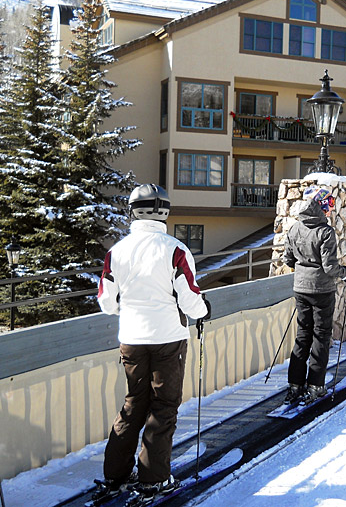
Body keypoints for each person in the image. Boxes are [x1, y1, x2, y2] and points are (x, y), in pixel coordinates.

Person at [93, 184, 210, 505]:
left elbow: (105, 301)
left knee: (134, 404)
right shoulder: (175, 249)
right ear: (165, 212)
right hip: (168, 338)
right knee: (163, 406)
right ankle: (153, 479)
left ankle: (115, 475)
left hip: (131, 338)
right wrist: (203, 311)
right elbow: (190, 296)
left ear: (132, 211)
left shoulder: (116, 251)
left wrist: (128, 310)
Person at [283, 186, 346, 405]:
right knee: (321, 336)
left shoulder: (295, 228)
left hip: (300, 289)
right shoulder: (325, 232)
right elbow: (330, 267)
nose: (329, 212)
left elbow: (289, 260)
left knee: (302, 335)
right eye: (328, 208)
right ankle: (315, 385)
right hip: (321, 291)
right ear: (322, 207)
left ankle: (295, 385)